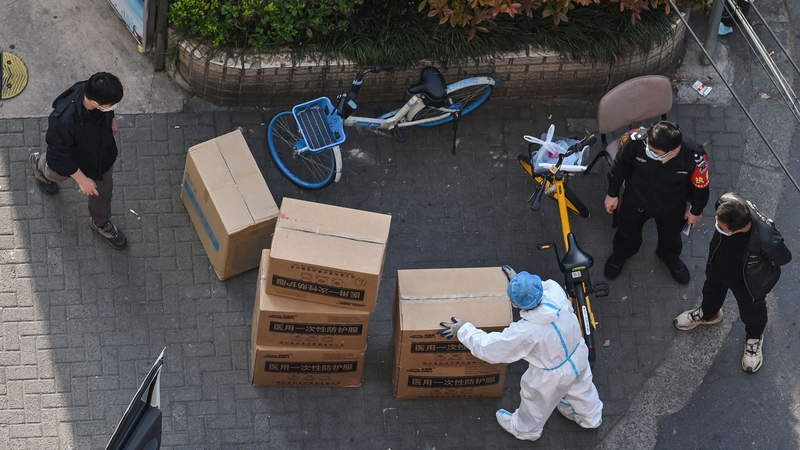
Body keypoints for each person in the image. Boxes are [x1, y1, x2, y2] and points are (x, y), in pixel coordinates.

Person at [439, 267, 602, 442]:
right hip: (578, 354)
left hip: (552, 376)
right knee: (583, 388)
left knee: (535, 405)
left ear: (516, 304)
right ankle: (591, 418)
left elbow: (490, 348)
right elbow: (536, 288)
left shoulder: (527, 331)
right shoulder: (554, 291)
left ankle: (525, 431)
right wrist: (520, 281)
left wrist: (463, 330)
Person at [674, 192, 791, 373]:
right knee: (711, 292)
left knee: (753, 312)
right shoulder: (726, 202)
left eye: (721, 227)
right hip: (718, 266)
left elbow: (783, 258)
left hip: (747, 281)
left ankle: (754, 338)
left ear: (736, 229)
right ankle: (708, 315)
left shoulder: (768, 240)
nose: (716, 227)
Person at [603, 120, 710, 284]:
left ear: (673, 150)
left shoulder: (695, 157)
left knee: (671, 236)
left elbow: (701, 186)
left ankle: (669, 257)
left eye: (653, 151)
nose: (648, 150)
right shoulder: (636, 142)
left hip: (672, 204)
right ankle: (621, 254)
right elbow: (619, 168)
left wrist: (696, 210)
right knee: (627, 231)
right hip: (636, 199)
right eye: (647, 145)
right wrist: (612, 194)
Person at [29, 72, 127, 249]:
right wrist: (82, 181)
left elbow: (108, 107)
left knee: (103, 192)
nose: (112, 108)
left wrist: (111, 118)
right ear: (95, 103)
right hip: (68, 162)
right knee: (52, 172)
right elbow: (61, 154)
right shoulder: (64, 120)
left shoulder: (94, 91)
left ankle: (100, 222)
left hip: (100, 157)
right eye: (110, 107)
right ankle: (39, 164)